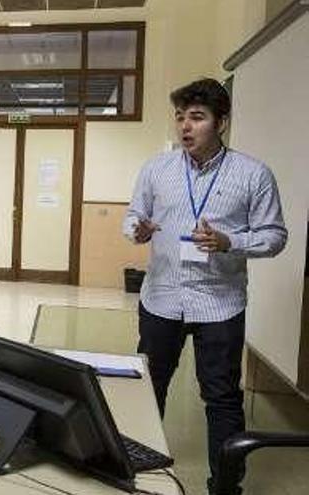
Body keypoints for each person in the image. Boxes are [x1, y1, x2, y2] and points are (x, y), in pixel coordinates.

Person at [122, 78, 288, 495]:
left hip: (220, 303)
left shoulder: (253, 174)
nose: (185, 127)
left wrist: (231, 242)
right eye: (180, 117)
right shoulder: (156, 168)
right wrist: (137, 230)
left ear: (222, 123)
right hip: (161, 298)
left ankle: (226, 485)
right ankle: (136, 466)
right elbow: (134, 215)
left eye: (197, 117)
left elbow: (274, 236)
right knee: (147, 387)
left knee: (222, 398)